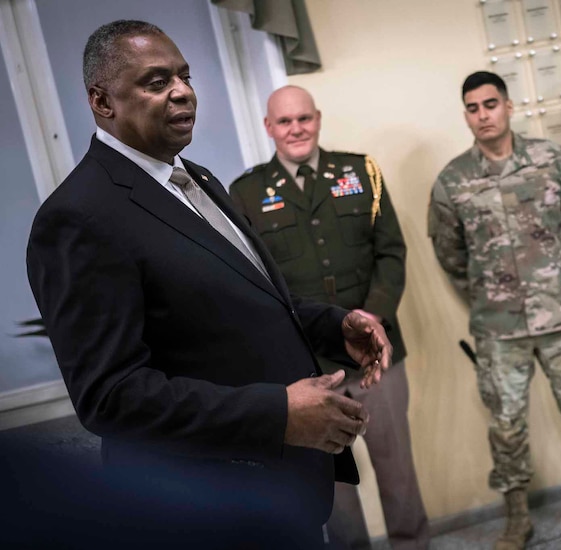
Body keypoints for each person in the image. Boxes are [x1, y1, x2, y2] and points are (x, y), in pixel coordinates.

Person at [26, 20, 393, 548]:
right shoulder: (78, 216)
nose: (182, 91)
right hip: (206, 508)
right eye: (156, 82)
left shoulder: (196, 178)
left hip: (281, 488)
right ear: (102, 101)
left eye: (185, 75)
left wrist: (337, 327)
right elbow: (111, 396)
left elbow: (245, 303)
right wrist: (277, 414)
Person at [427, 71, 561, 550]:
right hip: (498, 328)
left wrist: (555, 273)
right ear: (465, 114)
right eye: (472, 107)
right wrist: (490, 291)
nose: (483, 115)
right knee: (506, 427)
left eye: (490, 104)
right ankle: (516, 518)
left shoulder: (552, 160)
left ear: (508, 106)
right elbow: (449, 253)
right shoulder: (453, 181)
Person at [229, 86, 429, 550]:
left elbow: (391, 252)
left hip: (376, 358)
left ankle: (414, 544)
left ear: (317, 118)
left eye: (303, 118)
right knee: (334, 488)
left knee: (397, 469)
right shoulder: (246, 192)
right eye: (284, 121)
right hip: (308, 368)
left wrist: (371, 313)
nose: (295, 128)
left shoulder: (362, 172)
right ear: (268, 127)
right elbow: (254, 280)